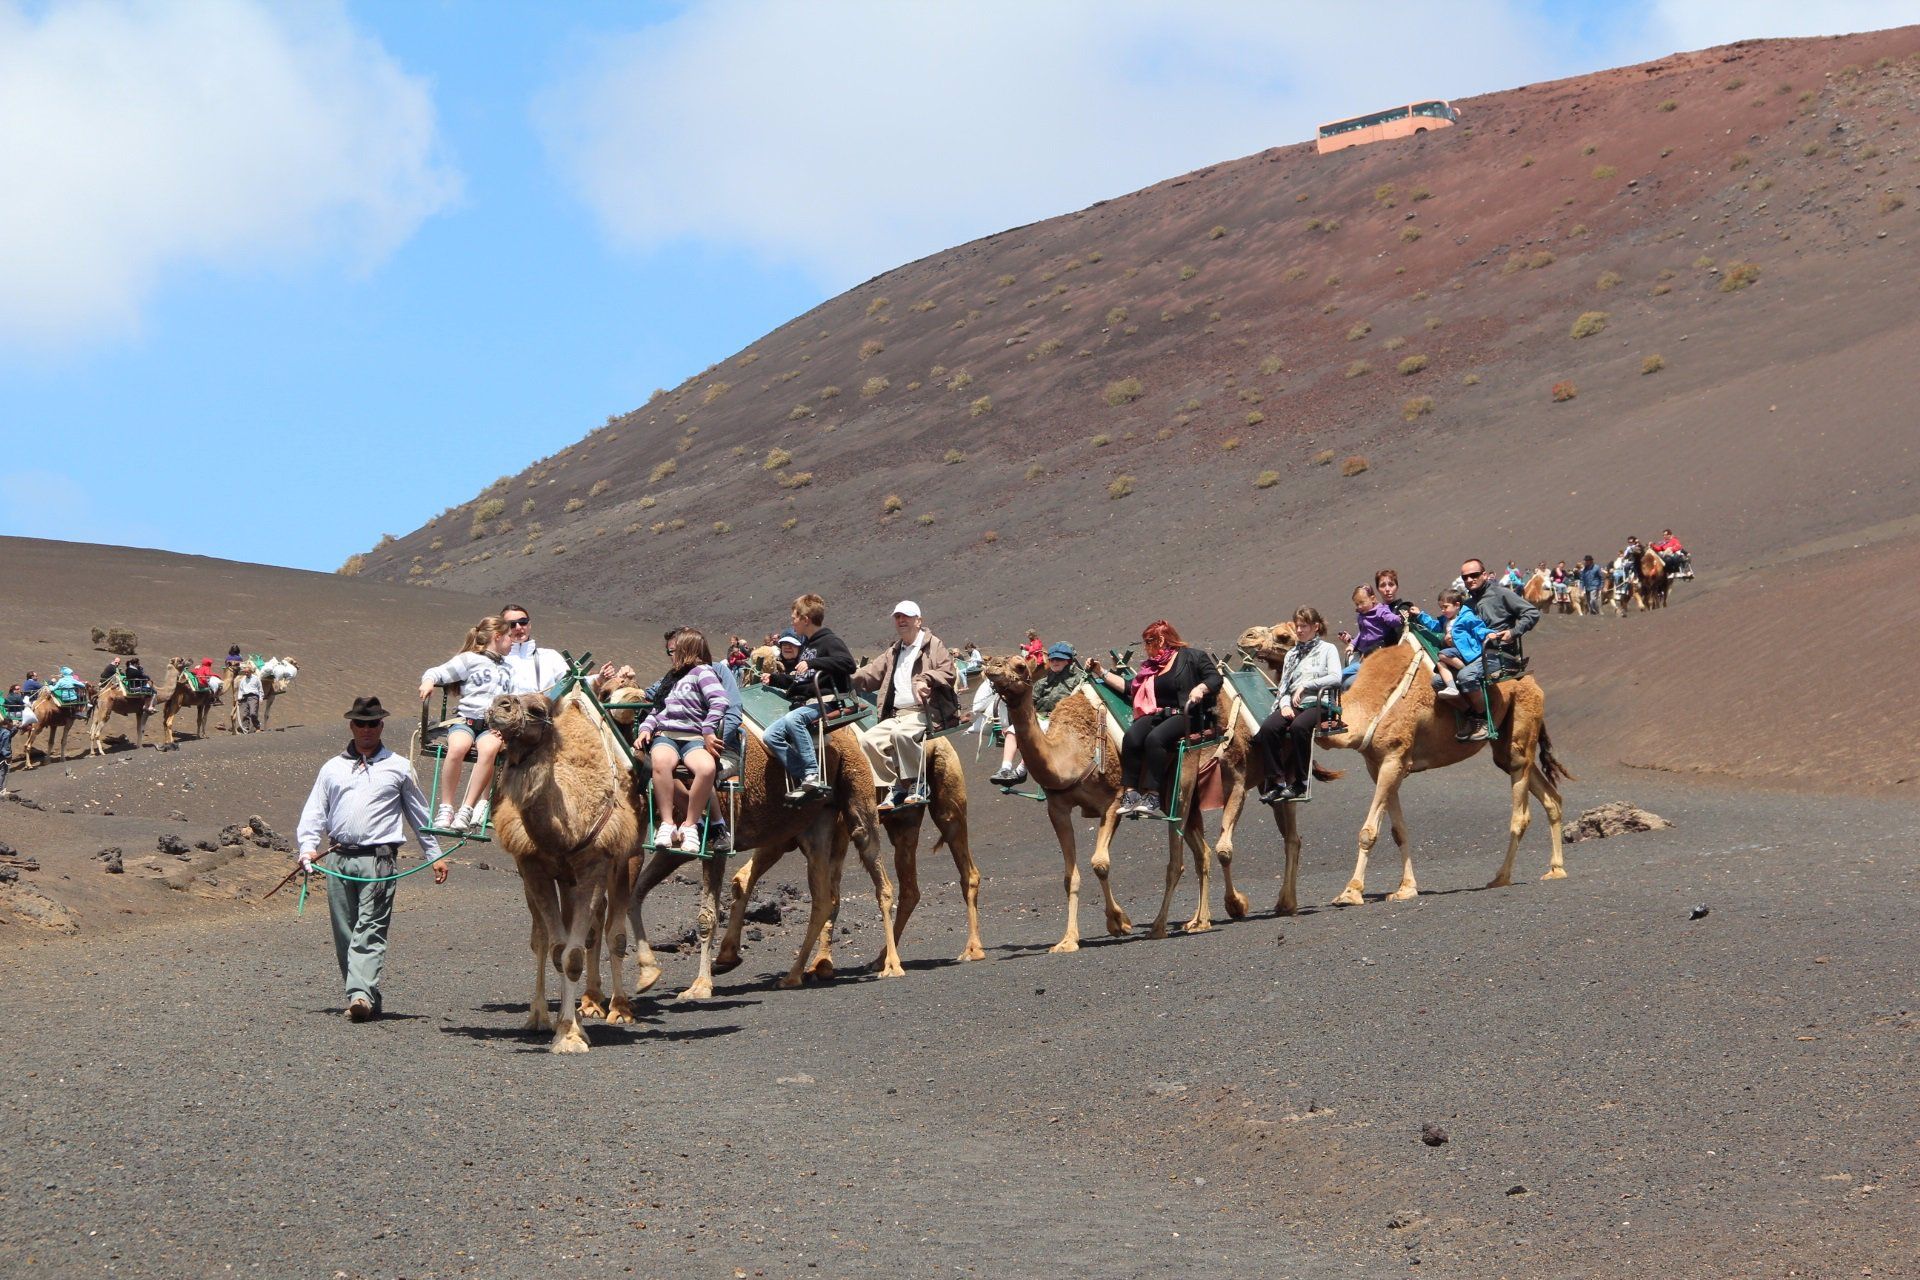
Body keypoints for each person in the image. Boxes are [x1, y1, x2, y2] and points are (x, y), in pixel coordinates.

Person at [294, 695, 447, 1022]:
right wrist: (307, 847)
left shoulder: (399, 766)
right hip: (338, 859)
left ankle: (359, 995)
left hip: (379, 860)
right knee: (345, 931)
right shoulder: (331, 768)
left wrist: (434, 854)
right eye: (360, 723)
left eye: (372, 723)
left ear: (381, 725)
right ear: (351, 725)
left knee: (370, 928)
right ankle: (366, 993)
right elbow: (314, 812)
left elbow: (419, 815)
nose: (366, 729)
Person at [1086, 621, 1220, 819]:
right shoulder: (1152, 667)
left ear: (1163, 639)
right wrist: (1101, 671)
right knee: (1131, 737)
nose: (1146, 646)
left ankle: (1153, 795)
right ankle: (1131, 793)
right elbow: (1131, 688)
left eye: (1149, 641)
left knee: (1155, 739)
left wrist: (1200, 688)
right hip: (1157, 714)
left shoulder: (1193, 656)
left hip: (1187, 714)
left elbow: (1215, 678)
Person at [852, 601, 957, 811]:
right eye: (898, 617)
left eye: (906, 616)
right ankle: (897, 786)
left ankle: (919, 784)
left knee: (901, 734)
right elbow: (871, 674)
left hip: (927, 710)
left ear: (918, 621)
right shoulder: (894, 650)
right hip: (898, 714)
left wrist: (926, 679)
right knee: (868, 740)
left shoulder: (933, 645)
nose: (901, 621)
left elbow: (948, 672)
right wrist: (843, 678)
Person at [635, 629, 731, 853]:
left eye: (675, 650)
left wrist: (708, 729)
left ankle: (690, 825)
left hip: (693, 738)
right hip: (667, 736)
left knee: (706, 768)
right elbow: (658, 709)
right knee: (660, 762)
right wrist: (645, 728)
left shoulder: (702, 672)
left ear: (685, 650)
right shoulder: (671, 677)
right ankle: (667, 823)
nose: (672, 655)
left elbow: (720, 700)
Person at [417, 616, 515, 832]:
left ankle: (467, 808)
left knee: (489, 750)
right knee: (458, 747)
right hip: (466, 720)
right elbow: (438, 672)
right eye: (509, 637)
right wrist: (428, 682)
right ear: (497, 637)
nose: (512, 641)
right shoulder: (470, 659)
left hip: (492, 727)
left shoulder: (510, 668)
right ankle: (446, 807)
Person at [763, 593, 857, 801]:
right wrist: (776, 679)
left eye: (794, 617)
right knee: (770, 735)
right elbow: (802, 681)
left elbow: (848, 664)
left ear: (806, 619)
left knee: (792, 719)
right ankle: (804, 775)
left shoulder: (829, 641)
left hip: (827, 702)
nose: (792, 621)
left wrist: (815, 663)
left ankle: (812, 773)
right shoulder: (807, 645)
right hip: (808, 702)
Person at [1253, 607, 1341, 803]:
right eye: (1298, 626)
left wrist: (1306, 685)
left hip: (1320, 703)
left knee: (1299, 727)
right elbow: (1284, 686)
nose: (1300, 630)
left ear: (1315, 627)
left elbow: (1336, 677)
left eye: (1304, 626)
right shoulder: (1292, 654)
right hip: (1294, 703)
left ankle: (1301, 781)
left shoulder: (1328, 650)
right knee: (1269, 728)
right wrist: (1284, 704)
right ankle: (1277, 782)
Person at [990, 642, 1084, 785]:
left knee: (1037, 735)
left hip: (1062, 720)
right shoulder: (1042, 682)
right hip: (1040, 716)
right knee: (1012, 730)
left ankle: (1021, 770)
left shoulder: (1079, 680)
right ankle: (1005, 769)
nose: (1055, 662)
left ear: (1068, 661)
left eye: (1059, 659)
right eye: (1052, 659)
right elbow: (1031, 701)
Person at [1411, 588, 1492, 738]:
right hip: (1455, 655)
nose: (1443, 611)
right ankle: (1470, 714)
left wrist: (1490, 634)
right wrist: (1420, 615)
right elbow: (1434, 626)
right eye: (1441, 607)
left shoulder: (1466, 617)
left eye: (1445, 607)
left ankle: (1483, 718)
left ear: (1457, 605)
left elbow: (1479, 629)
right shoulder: (1445, 620)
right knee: (1437, 675)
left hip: (1467, 655)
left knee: (1443, 656)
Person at [1459, 557, 1540, 679]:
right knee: (1438, 680)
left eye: (1474, 575)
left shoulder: (1500, 593)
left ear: (1484, 575)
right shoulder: (1467, 605)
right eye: (1465, 577)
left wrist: (1513, 632)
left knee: (1465, 676)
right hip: (1474, 654)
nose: (1469, 580)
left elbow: (1532, 613)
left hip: (1501, 655)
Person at [1338, 585, 1404, 689]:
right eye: (1357, 604)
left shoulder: (1380, 611)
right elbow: (1362, 633)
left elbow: (1391, 618)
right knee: (1346, 674)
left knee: (1346, 673)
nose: (1359, 606)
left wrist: (1399, 618)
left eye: (1362, 603)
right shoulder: (1362, 615)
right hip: (1362, 653)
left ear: (1372, 599)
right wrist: (1352, 644)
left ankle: (1335, 676)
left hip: (1376, 653)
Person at [499, 602, 567, 696]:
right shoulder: (494, 660)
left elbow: (570, 683)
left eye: (523, 622)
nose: (518, 627)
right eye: (512, 624)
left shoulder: (551, 657)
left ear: (529, 625)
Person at [236, 662, 264, 733]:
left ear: (251, 672)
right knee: (245, 714)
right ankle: (245, 728)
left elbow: (260, 689)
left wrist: (261, 698)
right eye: (245, 672)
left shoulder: (256, 679)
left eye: (247, 672)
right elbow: (241, 690)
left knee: (253, 713)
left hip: (253, 697)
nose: (246, 674)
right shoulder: (243, 680)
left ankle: (257, 727)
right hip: (244, 698)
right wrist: (239, 698)